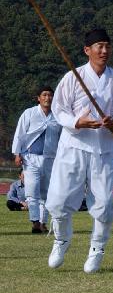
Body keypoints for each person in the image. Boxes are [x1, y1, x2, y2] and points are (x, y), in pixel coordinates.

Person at [45, 28, 113, 273]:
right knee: (58, 200)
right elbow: (59, 109)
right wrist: (78, 122)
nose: (104, 51)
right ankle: (61, 239)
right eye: (99, 46)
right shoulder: (72, 77)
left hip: (103, 150)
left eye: (107, 46)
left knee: (103, 204)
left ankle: (97, 248)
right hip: (73, 146)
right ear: (87, 50)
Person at [12, 86, 61, 233]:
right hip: (31, 157)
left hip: (50, 158)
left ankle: (43, 222)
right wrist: (17, 153)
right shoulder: (29, 113)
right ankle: (35, 222)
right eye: (44, 95)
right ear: (38, 98)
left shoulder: (58, 116)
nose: (48, 98)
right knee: (32, 191)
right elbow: (19, 134)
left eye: (50, 95)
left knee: (46, 192)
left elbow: (63, 137)